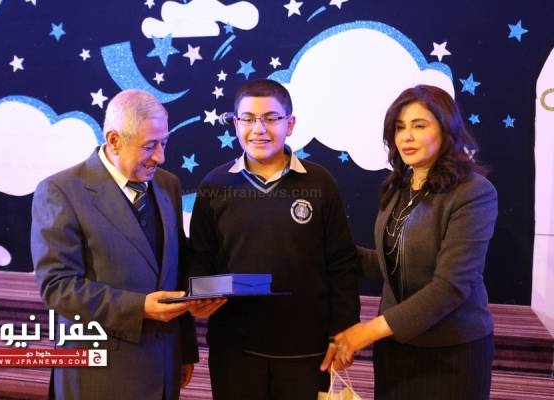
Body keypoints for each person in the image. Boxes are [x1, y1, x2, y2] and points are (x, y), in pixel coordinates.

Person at [31, 89, 223, 400]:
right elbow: (58, 287)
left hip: (165, 369)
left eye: (164, 143)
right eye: (150, 146)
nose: (160, 156)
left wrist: (187, 348)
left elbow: (174, 265)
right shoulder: (60, 191)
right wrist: (140, 308)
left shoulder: (168, 184)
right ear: (114, 140)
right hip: (98, 378)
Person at [321, 84, 498, 400]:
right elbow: (394, 263)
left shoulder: (473, 192)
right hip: (395, 348)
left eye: (419, 126)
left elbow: (450, 286)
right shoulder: (398, 186)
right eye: (400, 127)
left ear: (446, 130)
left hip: (451, 352)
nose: (406, 137)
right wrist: (322, 251)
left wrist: (367, 331)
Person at [187, 79, 360, 400]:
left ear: (289, 124)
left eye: (271, 118)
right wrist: (199, 295)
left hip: (307, 350)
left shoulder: (320, 183)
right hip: (234, 349)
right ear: (236, 124)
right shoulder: (214, 185)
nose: (259, 129)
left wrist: (343, 330)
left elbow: (342, 263)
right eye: (248, 119)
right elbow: (200, 256)